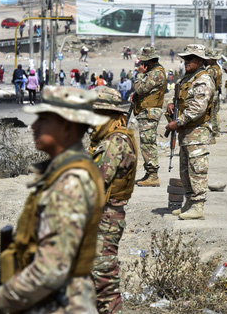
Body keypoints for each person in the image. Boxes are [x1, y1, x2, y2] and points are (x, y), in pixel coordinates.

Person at [0, 86, 108, 314]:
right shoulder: (61, 173)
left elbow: (51, 269)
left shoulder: (71, 181)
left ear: (68, 125)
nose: (34, 126)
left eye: (44, 119)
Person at [89, 87, 138, 314]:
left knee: (103, 275)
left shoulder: (113, 142)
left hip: (106, 216)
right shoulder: (111, 138)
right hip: (104, 214)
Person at [165, 44, 215, 220]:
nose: (185, 62)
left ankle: (198, 205)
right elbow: (182, 100)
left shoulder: (203, 80)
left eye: (190, 59)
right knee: (185, 170)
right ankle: (189, 202)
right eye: (184, 59)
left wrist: (177, 122)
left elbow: (197, 109)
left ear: (200, 61)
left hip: (197, 132)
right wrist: (172, 106)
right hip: (187, 133)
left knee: (197, 169)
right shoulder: (188, 79)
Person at [132, 47, 167, 187]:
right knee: (146, 143)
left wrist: (140, 75)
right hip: (147, 111)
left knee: (148, 143)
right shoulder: (153, 72)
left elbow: (140, 89)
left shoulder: (156, 73)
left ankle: (153, 175)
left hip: (149, 112)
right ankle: (149, 172)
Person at [205, 49, 223, 141]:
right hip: (216, 93)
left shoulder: (211, 70)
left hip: (212, 94)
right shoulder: (218, 67)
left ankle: (212, 136)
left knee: (210, 115)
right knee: (214, 114)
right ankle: (216, 132)